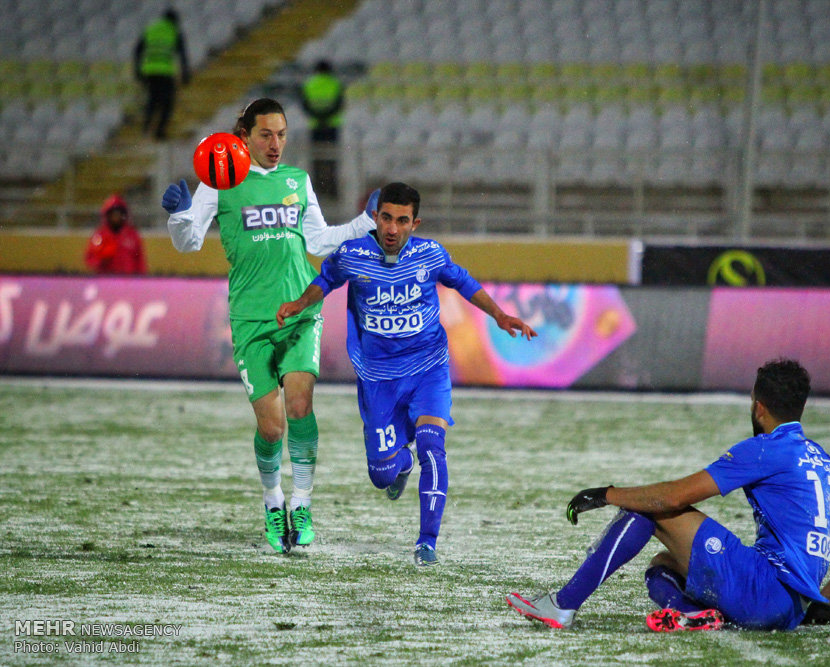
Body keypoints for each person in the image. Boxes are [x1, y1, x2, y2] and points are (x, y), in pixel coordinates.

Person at [276, 182, 537, 567]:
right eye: (385, 218)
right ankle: (400, 465)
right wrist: (299, 303)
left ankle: (426, 541)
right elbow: (327, 279)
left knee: (433, 446)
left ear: (415, 223)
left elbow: (462, 281)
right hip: (378, 379)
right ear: (375, 217)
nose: (392, 229)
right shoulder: (353, 254)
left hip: (428, 368)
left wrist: (499, 314)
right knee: (381, 474)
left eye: (401, 220)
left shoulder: (429, 255)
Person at [506, 359, 830, 633]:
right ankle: (692, 613)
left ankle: (563, 605)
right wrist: (822, 602)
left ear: (758, 407)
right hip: (791, 609)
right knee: (663, 565)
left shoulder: (765, 449)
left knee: (647, 512)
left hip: (762, 590)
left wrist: (607, 494)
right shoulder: (829, 464)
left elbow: (672, 498)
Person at [161, 97, 377, 555]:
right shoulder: (221, 182)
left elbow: (318, 241)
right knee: (273, 427)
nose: (276, 144)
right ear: (245, 135)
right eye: (266, 134)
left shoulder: (296, 181)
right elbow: (189, 242)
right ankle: (272, 499)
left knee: (300, 405)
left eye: (281, 134)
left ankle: (301, 502)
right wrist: (179, 215)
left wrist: (364, 223)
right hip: (249, 319)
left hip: (300, 312)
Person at [134, 8, 191, 140]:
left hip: (150, 71)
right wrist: (185, 73)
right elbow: (182, 55)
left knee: (153, 100)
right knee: (167, 102)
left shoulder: (151, 29)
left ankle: (146, 126)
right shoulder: (174, 31)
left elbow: (138, 50)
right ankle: (160, 131)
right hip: (165, 72)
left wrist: (138, 70)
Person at [84, 193, 148, 275]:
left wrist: (141, 279)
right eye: (113, 214)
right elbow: (90, 258)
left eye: (118, 214)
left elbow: (140, 261)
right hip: (106, 280)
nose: (116, 217)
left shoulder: (132, 235)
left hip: (129, 281)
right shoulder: (100, 235)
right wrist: (102, 257)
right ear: (108, 215)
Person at [300, 60, 344, 144]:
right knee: (331, 151)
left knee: (317, 152)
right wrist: (326, 118)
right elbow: (339, 104)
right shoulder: (336, 84)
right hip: (332, 123)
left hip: (315, 123)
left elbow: (305, 105)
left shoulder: (308, 84)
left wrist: (318, 118)